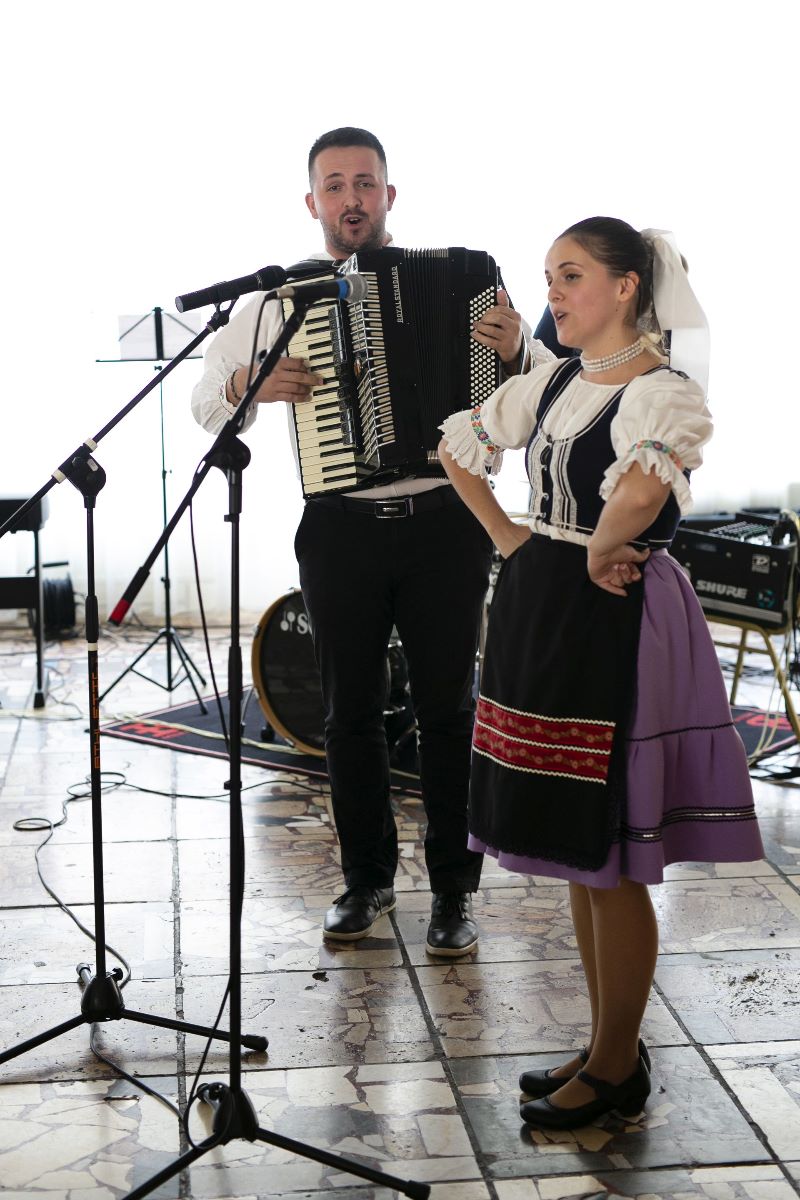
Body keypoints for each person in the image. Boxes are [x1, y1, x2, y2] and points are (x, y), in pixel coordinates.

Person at [438, 217, 763, 1127]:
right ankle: (604, 1041)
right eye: (550, 275)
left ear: (626, 287)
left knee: (609, 849)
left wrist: (596, 547)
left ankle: (618, 1065)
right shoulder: (555, 381)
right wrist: (514, 540)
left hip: (617, 616)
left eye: (571, 275)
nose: (553, 292)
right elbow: (458, 448)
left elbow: (644, 490)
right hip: (545, 601)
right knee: (578, 850)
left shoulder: (664, 393)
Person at [192, 127, 529, 956]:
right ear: (312, 201)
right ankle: (366, 880)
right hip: (339, 526)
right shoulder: (276, 302)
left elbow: (537, 394)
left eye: (365, 183)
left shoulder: (465, 281)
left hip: (446, 521)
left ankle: (453, 891)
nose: (352, 199)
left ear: (389, 195)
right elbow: (206, 403)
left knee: (449, 710)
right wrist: (245, 384)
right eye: (336, 185)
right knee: (348, 715)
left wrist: (519, 348)